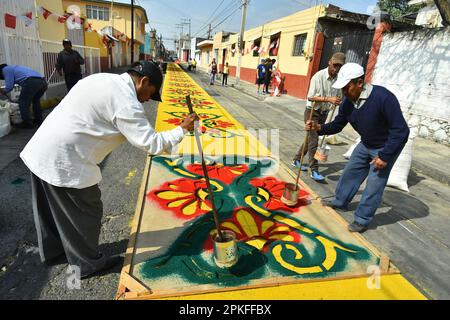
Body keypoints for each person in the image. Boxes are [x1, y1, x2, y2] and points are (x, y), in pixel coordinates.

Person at [20, 61, 198, 278]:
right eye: (150, 93)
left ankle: (55, 253)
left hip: (41, 149)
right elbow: (151, 144)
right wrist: (182, 129)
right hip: (64, 158)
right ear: (143, 81)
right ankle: (86, 265)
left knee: (50, 208)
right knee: (86, 209)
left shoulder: (102, 78)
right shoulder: (127, 103)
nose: (148, 99)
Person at [306, 63, 410, 233]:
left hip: (386, 145)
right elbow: (338, 125)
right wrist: (319, 128)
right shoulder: (348, 101)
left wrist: (385, 156)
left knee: (374, 183)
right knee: (351, 171)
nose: (344, 92)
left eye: (347, 88)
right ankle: (340, 202)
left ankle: (362, 219)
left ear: (360, 83)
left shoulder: (383, 97)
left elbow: (401, 131)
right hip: (367, 142)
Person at [292, 52, 346, 182]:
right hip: (312, 111)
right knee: (314, 141)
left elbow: (339, 96)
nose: (336, 68)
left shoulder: (340, 79)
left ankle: (296, 159)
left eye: (340, 66)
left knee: (310, 138)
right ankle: (314, 170)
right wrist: (328, 99)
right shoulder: (318, 76)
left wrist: (338, 100)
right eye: (335, 65)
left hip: (324, 113)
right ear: (329, 62)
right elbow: (310, 97)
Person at [0, 64, 47, 129]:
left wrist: (3, 91)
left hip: (32, 82)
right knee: (35, 101)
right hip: (43, 82)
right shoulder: (15, 68)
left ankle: (27, 123)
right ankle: (38, 120)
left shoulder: (6, 70)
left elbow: (9, 87)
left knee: (22, 102)